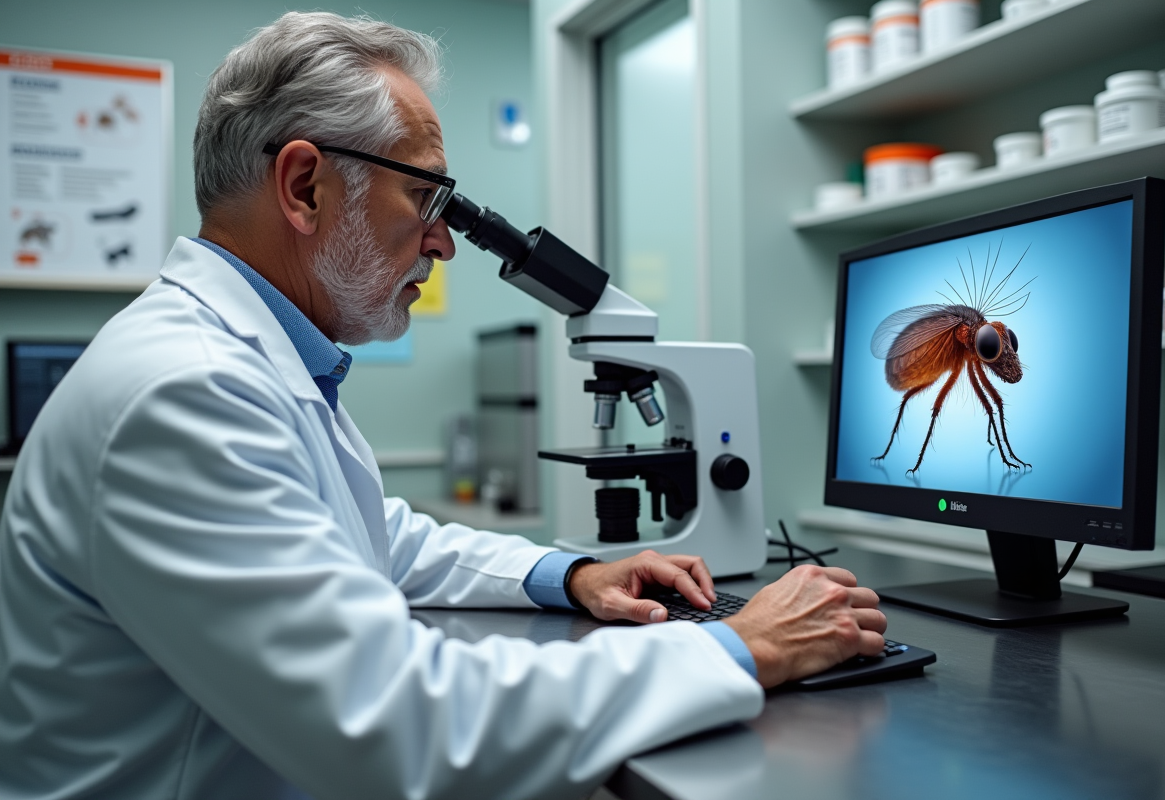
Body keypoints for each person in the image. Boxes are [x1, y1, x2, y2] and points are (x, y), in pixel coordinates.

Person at [0, 12, 886, 800]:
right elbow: (405, 732)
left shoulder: (247, 364)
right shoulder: (186, 392)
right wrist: (742, 648)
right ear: (304, 187)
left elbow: (374, 539)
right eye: (426, 197)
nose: (443, 242)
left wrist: (570, 575)